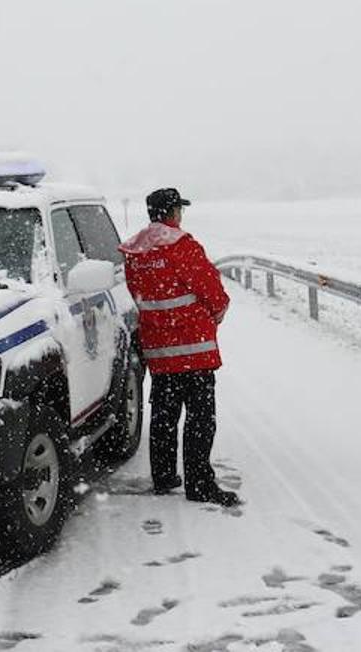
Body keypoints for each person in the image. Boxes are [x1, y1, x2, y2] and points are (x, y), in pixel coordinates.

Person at [119, 187, 240, 507]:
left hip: (159, 348)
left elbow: (138, 294)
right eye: (179, 210)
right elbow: (211, 288)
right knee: (200, 418)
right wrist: (217, 311)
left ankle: (164, 475)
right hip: (193, 348)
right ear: (172, 212)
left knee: (163, 413)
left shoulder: (134, 252)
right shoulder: (182, 246)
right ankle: (199, 483)